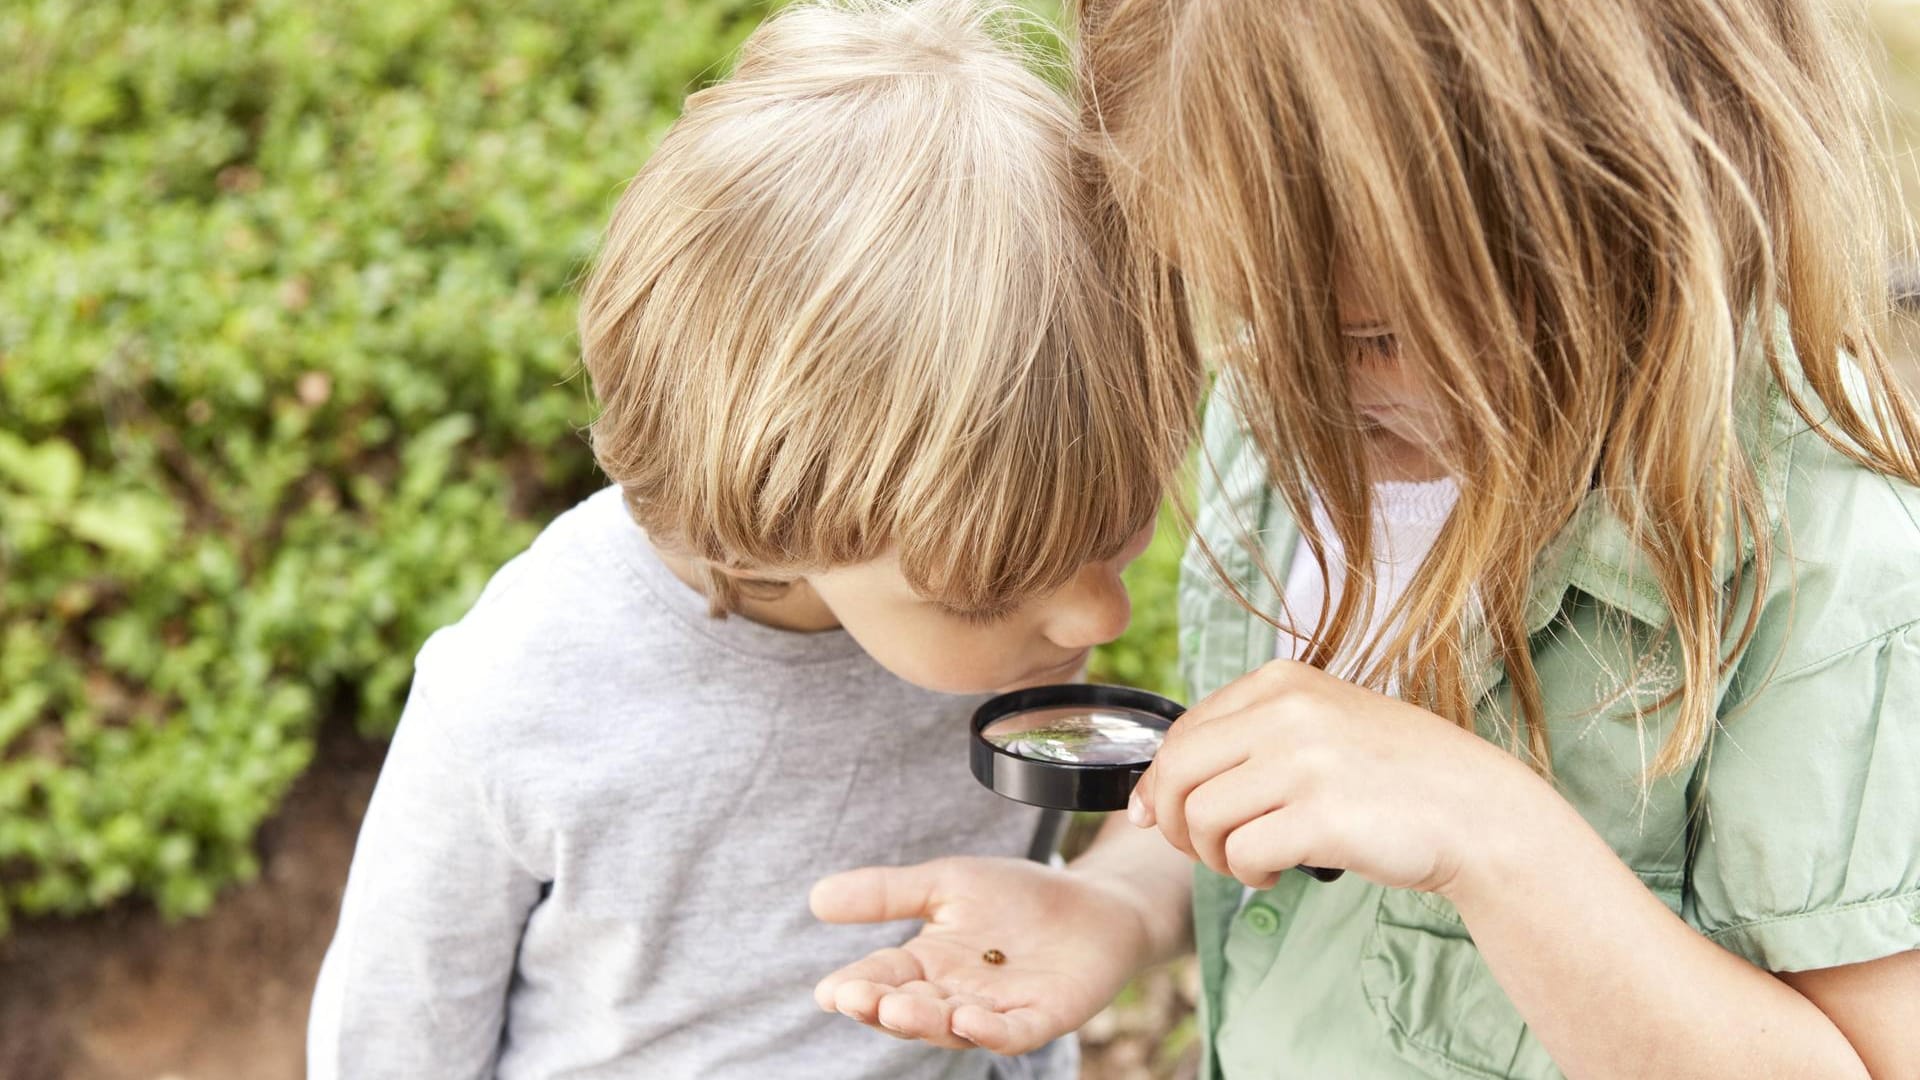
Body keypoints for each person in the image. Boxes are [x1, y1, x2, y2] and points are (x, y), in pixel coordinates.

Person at [811, 0, 1920, 1076]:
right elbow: (1292, 801)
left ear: (1621, 212)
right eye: (1241, 304)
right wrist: (1116, 904)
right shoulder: (1293, 402)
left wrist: (1494, 838)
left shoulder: (1830, 573)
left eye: (1374, 338)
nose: (1291, 389)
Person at [305, 1, 1198, 1076]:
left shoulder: (971, 595)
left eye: (1120, 527)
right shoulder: (522, 698)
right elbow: (392, 1038)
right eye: (993, 587)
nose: (1103, 614)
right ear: (777, 506)